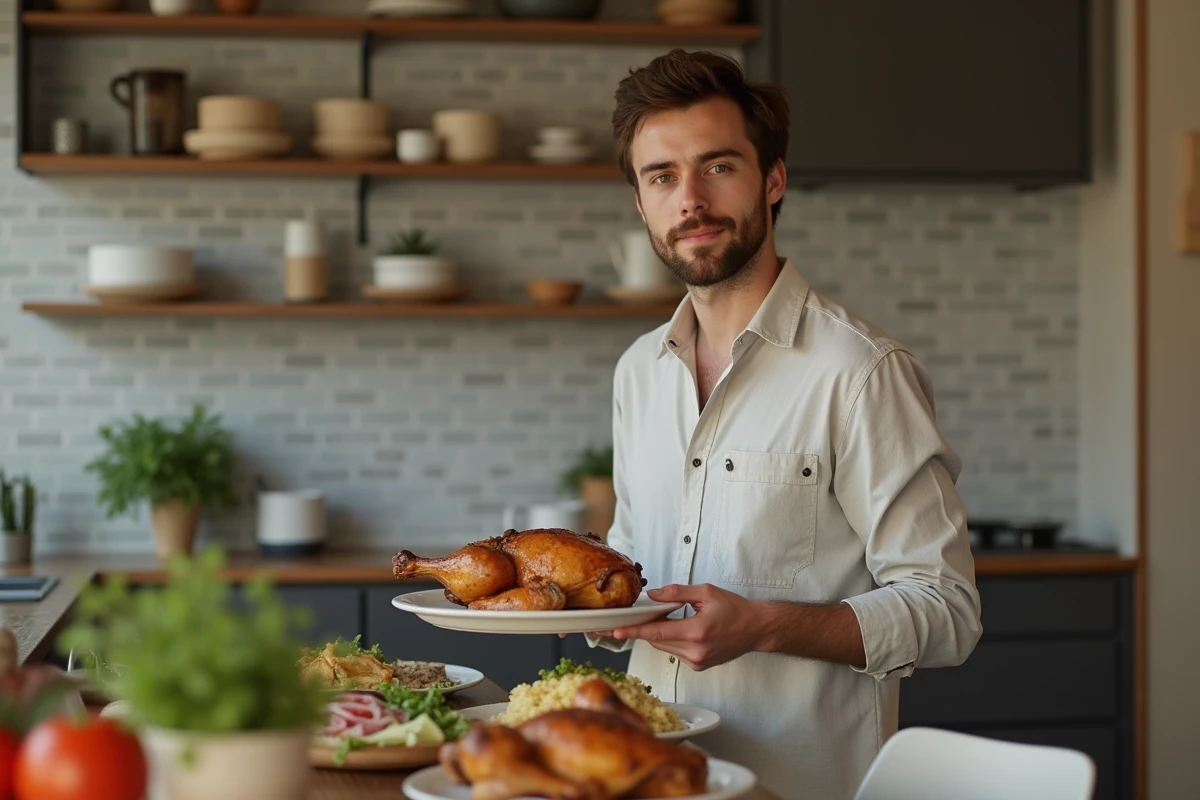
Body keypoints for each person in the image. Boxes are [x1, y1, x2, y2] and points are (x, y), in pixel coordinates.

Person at [582, 49, 983, 798]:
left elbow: (946, 610)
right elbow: (636, 561)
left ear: (773, 180)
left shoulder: (861, 371)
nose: (689, 199)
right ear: (640, 203)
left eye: (718, 166)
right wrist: (600, 604)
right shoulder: (640, 370)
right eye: (661, 176)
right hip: (644, 775)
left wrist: (763, 626)